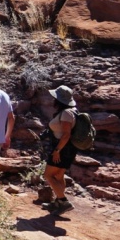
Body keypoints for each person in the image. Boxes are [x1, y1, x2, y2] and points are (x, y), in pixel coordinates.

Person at [42, 86, 78, 214]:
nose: (53, 100)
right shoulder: (72, 111)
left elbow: (66, 134)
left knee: (48, 175)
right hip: (68, 148)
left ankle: (63, 201)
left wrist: (57, 150)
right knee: (58, 175)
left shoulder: (66, 113)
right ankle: (58, 203)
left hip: (62, 148)